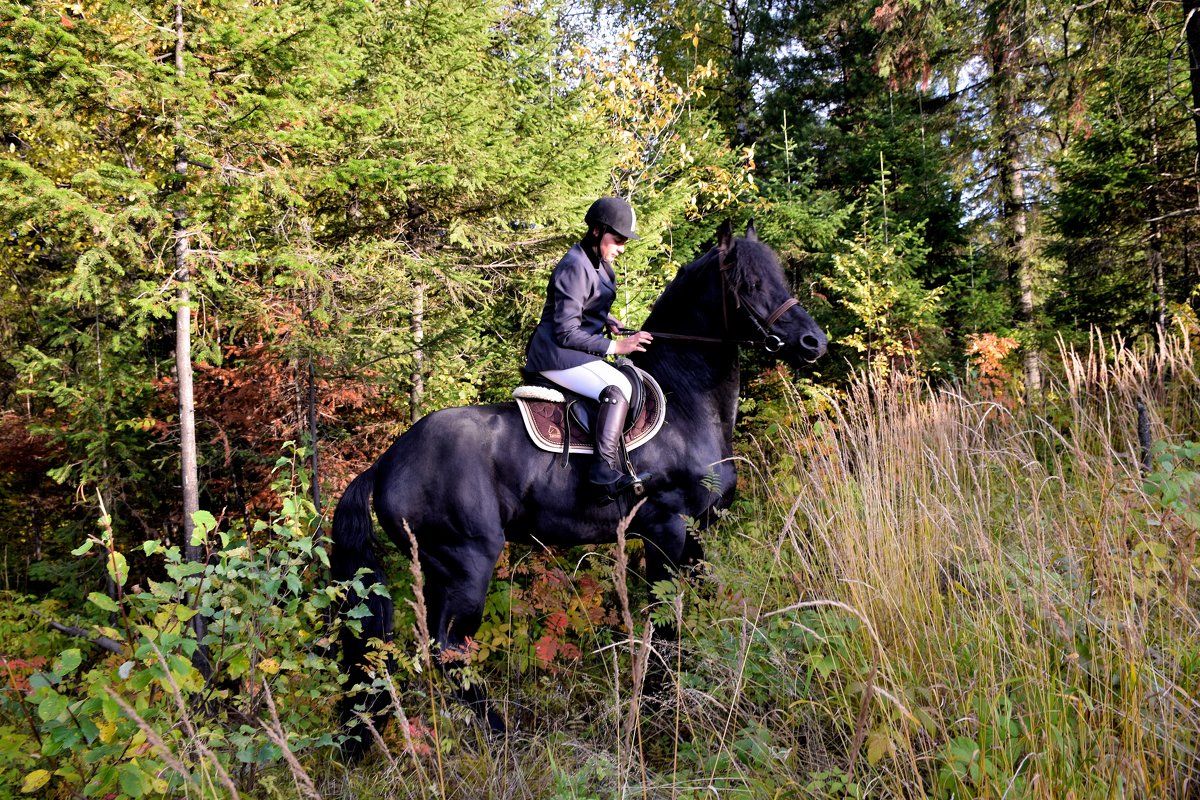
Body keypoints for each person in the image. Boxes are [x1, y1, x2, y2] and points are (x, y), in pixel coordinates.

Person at [524, 196, 654, 498]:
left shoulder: (597, 261)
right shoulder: (575, 266)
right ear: (597, 231)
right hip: (555, 354)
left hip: (573, 351)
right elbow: (566, 331)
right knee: (617, 388)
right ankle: (602, 472)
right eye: (618, 240)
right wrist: (616, 346)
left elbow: (581, 303)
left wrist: (605, 318)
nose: (621, 248)